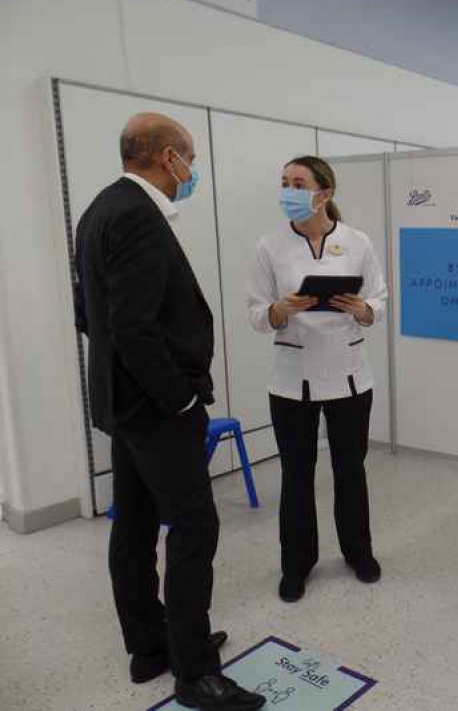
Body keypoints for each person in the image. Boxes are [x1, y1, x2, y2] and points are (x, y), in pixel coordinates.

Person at [74, 113, 265, 711]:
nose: (193, 169)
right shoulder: (135, 215)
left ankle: (151, 646)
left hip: (122, 402)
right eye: (190, 157)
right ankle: (195, 673)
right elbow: (133, 327)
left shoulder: (99, 208)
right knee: (194, 525)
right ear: (165, 156)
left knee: (132, 525)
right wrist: (179, 396)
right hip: (157, 407)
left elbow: (90, 313)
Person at [247, 155, 388, 603]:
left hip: (349, 376)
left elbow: (378, 298)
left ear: (324, 193)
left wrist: (364, 310)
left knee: (350, 470)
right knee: (297, 475)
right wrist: (280, 310)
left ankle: (358, 552)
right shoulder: (269, 245)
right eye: (284, 181)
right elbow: (255, 313)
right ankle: (297, 565)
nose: (288, 190)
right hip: (292, 380)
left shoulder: (357, 241)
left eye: (298, 183)